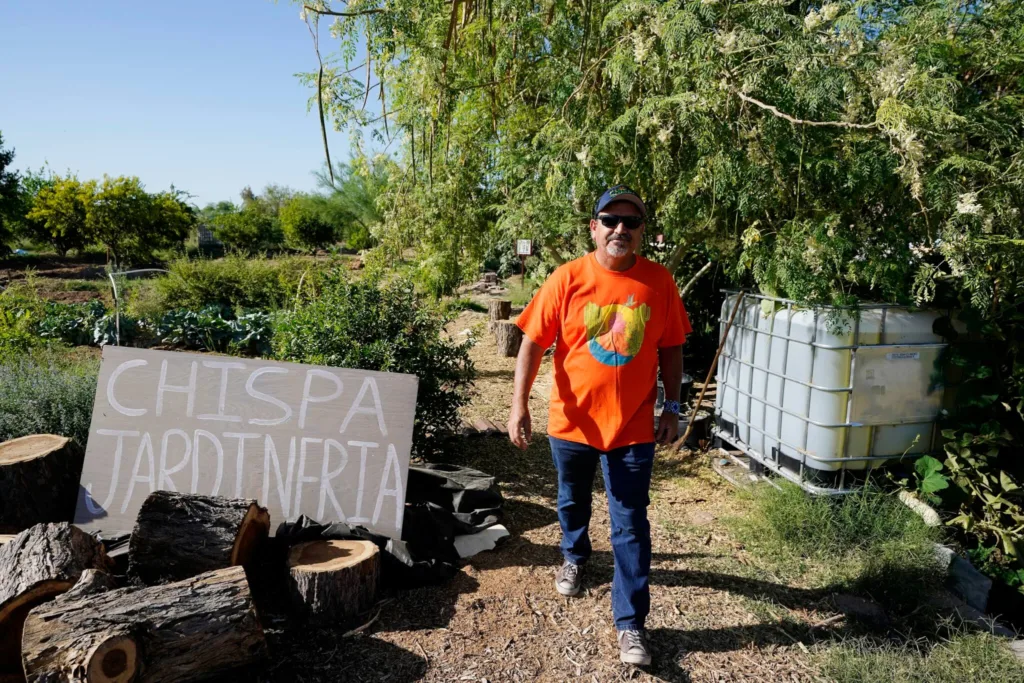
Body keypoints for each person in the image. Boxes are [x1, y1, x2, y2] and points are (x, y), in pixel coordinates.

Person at [507, 185, 691, 667]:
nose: (620, 230)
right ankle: (575, 554)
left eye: (630, 223)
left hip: (631, 428)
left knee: (630, 523)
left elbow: (672, 347)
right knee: (572, 499)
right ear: (594, 227)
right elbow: (531, 343)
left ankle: (630, 624)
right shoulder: (566, 279)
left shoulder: (659, 283)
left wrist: (672, 406)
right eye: (610, 220)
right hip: (571, 423)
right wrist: (518, 406)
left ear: (641, 231)